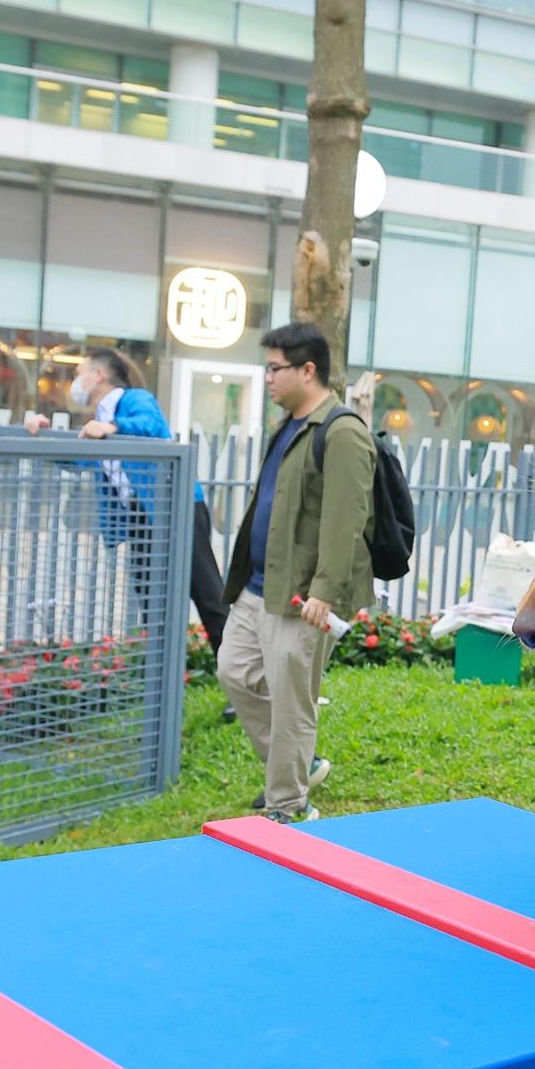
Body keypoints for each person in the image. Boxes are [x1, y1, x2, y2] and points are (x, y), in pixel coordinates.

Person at [218, 321, 376, 822]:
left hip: (302, 598)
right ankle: (300, 763)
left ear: (307, 371)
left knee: (292, 704)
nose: (267, 379)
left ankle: (288, 806)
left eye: (274, 369)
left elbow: (346, 518)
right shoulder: (288, 426)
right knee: (234, 672)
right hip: (259, 587)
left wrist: (325, 591)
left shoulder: (343, 432)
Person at [42, 347, 228, 645]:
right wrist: (42, 439)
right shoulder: (98, 420)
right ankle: (163, 679)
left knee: (207, 595)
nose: (74, 382)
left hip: (177, 507)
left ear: (98, 375)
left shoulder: (134, 400)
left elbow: (151, 426)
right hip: (141, 518)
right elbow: (79, 462)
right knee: (151, 600)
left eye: (78, 374)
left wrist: (112, 428)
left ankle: (237, 676)